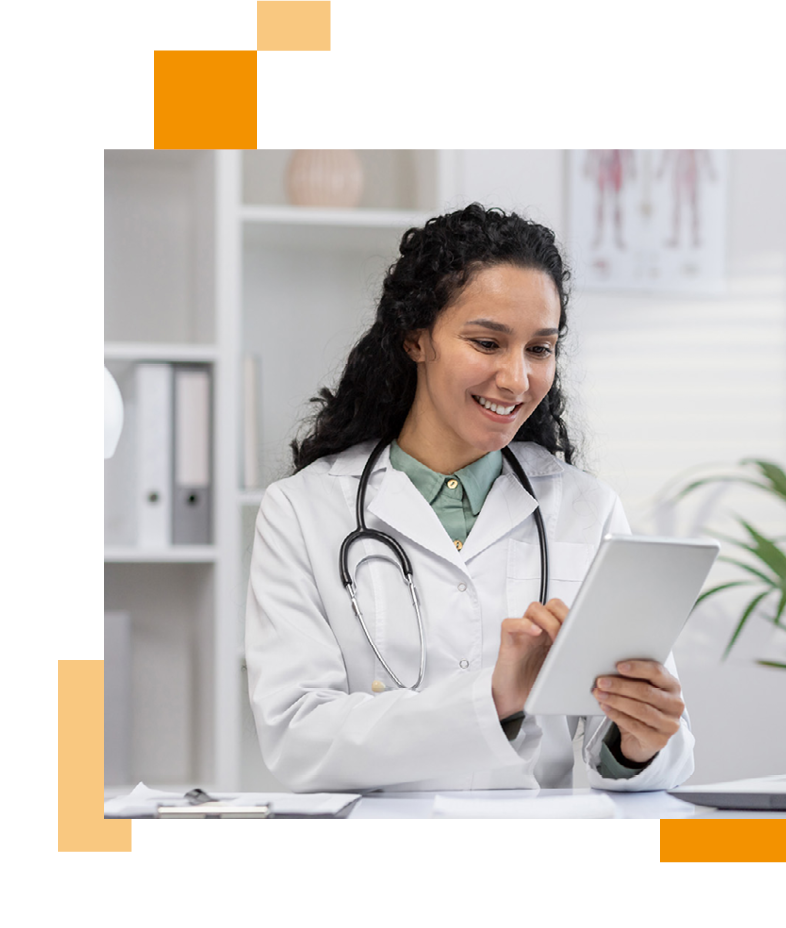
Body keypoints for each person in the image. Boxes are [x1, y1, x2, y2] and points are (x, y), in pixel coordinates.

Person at [245, 203, 694, 792]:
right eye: (487, 343)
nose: (516, 379)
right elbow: (296, 739)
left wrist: (637, 744)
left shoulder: (588, 509)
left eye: (540, 349)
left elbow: (629, 746)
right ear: (415, 339)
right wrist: (492, 698)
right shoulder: (302, 511)